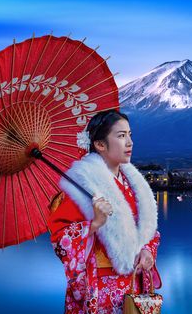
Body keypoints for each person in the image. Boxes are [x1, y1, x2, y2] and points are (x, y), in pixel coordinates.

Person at [47, 109, 161, 313]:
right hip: (99, 288)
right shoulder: (80, 188)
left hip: (134, 284)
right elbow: (60, 239)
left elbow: (148, 232)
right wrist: (95, 223)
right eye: (121, 136)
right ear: (99, 144)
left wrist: (146, 250)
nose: (129, 142)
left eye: (130, 135)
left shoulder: (134, 185)